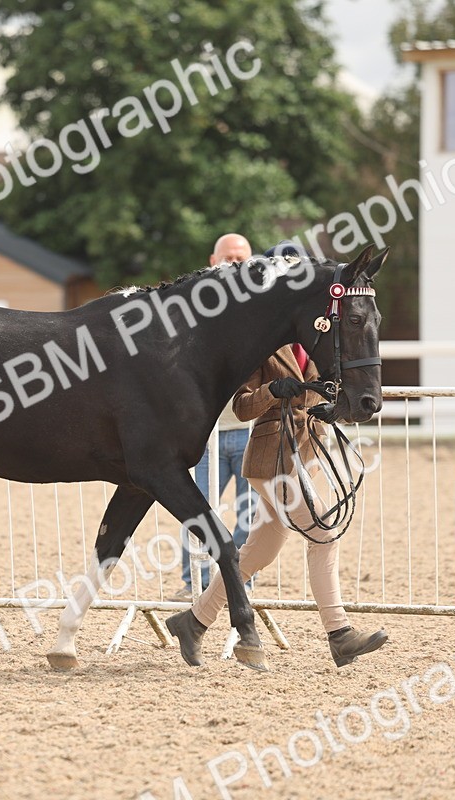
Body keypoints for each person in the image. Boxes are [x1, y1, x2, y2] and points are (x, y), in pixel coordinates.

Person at [166, 250, 388, 668]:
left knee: (257, 553)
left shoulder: (316, 336)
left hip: (303, 452)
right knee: (324, 534)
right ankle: (339, 633)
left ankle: (193, 622)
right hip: (273, 462)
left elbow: (315, 387)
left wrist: (326, 405)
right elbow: (242, 406)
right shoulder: (260, 341)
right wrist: (274, 391)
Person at [176, 233, 257, 600]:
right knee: (196, 513)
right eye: (228, 257)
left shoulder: (260, 309)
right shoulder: (195, 308)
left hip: (249, 429)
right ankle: (193, 583)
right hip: (204, 434)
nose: (234, 263)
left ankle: (237, 583)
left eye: (241, 258)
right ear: (213, 261)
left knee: (251, 514)